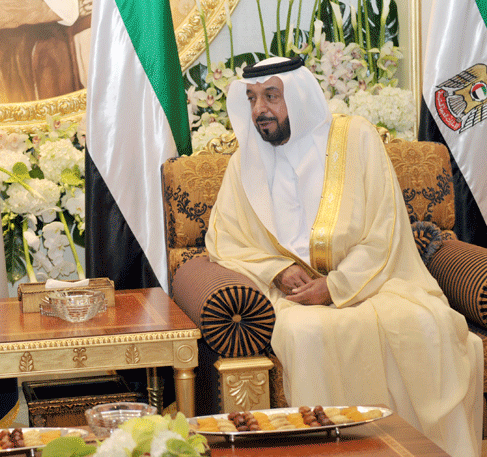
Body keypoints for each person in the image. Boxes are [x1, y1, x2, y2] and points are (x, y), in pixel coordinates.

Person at [205, 56, 483, 457]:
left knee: (428, 324)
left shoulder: (356, 139)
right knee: (306, 334)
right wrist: (277, 269)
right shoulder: (244, 163)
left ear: (299, 97)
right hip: (296, 296)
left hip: (376, 280)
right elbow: (224, 239)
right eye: (251, 98)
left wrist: (336, 286)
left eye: (271, 96)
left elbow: (384, 228)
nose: (259, 109)